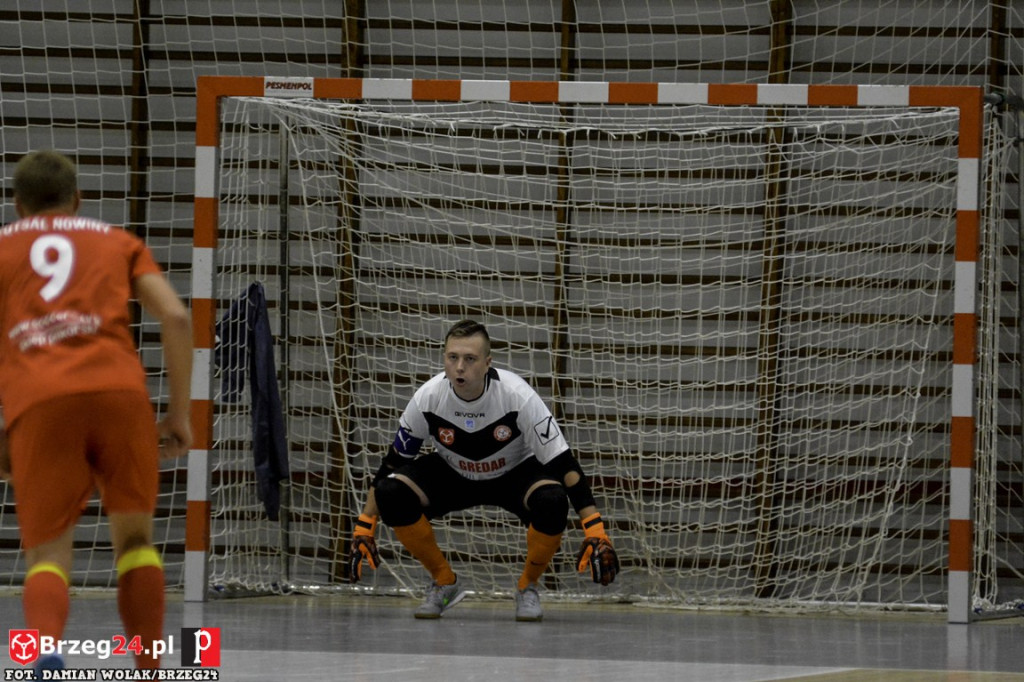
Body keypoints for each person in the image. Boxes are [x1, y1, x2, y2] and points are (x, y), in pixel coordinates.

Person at [0, 151, 193, 671]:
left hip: (41, 400)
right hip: (119, 395)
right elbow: (175, 317)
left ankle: (45, 649)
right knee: (134, 539)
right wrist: (177, 413)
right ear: (78, 200)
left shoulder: (2, 248)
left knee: (48, 555)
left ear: (17, 206)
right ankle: (149, 664)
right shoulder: (116, 241)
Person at [349, 319, 619, 621]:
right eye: (452, 358)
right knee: (391, 491)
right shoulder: (427, 398)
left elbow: (565, 465)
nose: (459, 367)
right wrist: (365, 525)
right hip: (453, 471)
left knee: (553, 500)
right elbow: (392, 463)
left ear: (488, 363)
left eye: (470, 359)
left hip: (514, 472)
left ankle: (527, 587)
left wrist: (595, 529)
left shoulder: (518, 396)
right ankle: (444, 582)